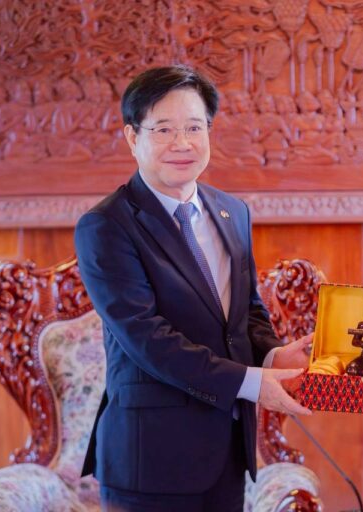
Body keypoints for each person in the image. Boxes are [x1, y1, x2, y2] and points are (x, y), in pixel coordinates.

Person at [75, 65, 312, 512]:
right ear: (132, 137)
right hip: (150, 461)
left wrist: (272, 355)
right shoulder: (107, 225)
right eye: (164, 129)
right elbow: (147, 339)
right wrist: (252, 382)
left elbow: (246, 311)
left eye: (194, 127)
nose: (182, 143)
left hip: (227, 450)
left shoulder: (232, 211)